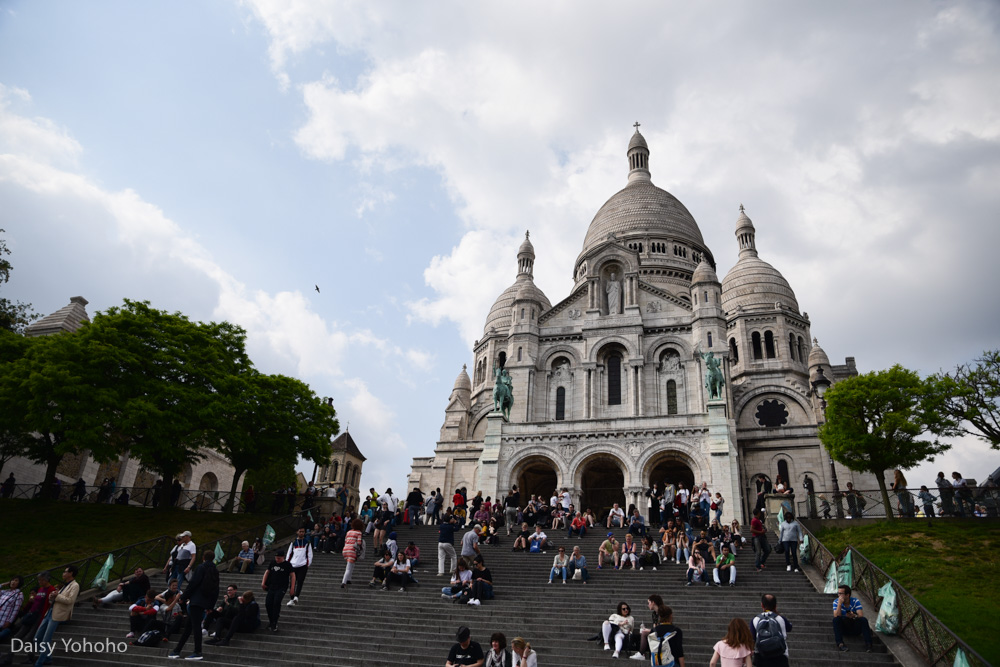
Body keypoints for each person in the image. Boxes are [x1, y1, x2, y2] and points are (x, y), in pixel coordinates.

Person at [167, 550, 220, 660]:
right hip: (204, 601)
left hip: (196, 601)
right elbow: (216, 589)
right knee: (188, 627)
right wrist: (210, 606)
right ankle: (177, 650)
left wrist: (183, 597)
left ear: (203, 558)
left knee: (195, 627)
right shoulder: (215, 570)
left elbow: (193, 583)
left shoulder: (201, 567)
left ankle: (197, 651)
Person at [28, 565, 78, 667]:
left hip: (57, 614)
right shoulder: (65, 585)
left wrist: (57, 596)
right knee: (37, 639)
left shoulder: (75, 585)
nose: (63, 573)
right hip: (50, 612)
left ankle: (39, 663)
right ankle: (48, 658)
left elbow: (70, 600)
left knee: (46, 639)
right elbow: (57, 599)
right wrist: (52, 597)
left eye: (65, 571)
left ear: (71, 573)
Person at [750, 594, 792, 667]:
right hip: (780, 655)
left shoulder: (755, 620)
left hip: (761, 656)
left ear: (762, 605)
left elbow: (753, 638)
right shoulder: (781, 619)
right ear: (775, 606)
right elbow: (789, 627)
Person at [260, 552, 294, 633]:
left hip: (282, 586)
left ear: (283, 557)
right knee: (268, 603)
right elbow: (267, 572)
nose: (277, 560)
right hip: (271, 586)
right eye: (276, 558)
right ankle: (271, 620)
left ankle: (274, 622)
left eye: (279, 558)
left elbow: (293, 575)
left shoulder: (287, 564)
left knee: (276, 602)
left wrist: (292, 587)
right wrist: (263, 582)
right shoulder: (272, 563)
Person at [832, 585, 873, 653]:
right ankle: (840, 644)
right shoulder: (836, 602)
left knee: (863, 620)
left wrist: (854, 616)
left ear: (847, 595)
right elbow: (836, 615)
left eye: (841, 593)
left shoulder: (855, 601)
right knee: (836, 620)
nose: (839, 595)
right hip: (844, 628)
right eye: (838, 593)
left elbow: (860, 615)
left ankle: (869, 645)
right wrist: (839, 604)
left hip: (854, 626)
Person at [285, 527, 312, 606]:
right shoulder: (293, 542)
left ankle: (296, 596)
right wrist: (287, 564)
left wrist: (307, 564)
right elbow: (289, 554)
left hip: (303, 565)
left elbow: (310, 555)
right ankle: (291, 598)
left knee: (300, 581)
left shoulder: (307, 542)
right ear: (297, 532)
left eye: (303, 532)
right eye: (300, 531)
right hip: (293, 565)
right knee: (292, 583)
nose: (301, 533)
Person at [341, 518, 364, 588]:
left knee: (352, 564)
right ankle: (343, 582)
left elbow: (345, 540)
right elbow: (359, 542)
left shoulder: (348, 532)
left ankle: (349, 579)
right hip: (352, 550)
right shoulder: (359, 532)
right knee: (349, 567)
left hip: (345, 549)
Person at [0, 575, 24, 643]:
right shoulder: (5, 592)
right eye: (12, 580)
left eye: (16, 580)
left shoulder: (19, 594)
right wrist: (3, 584)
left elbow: (15, 610)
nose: (13, 582)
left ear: (19, 583)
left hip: (4, 620)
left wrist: (9, 621)